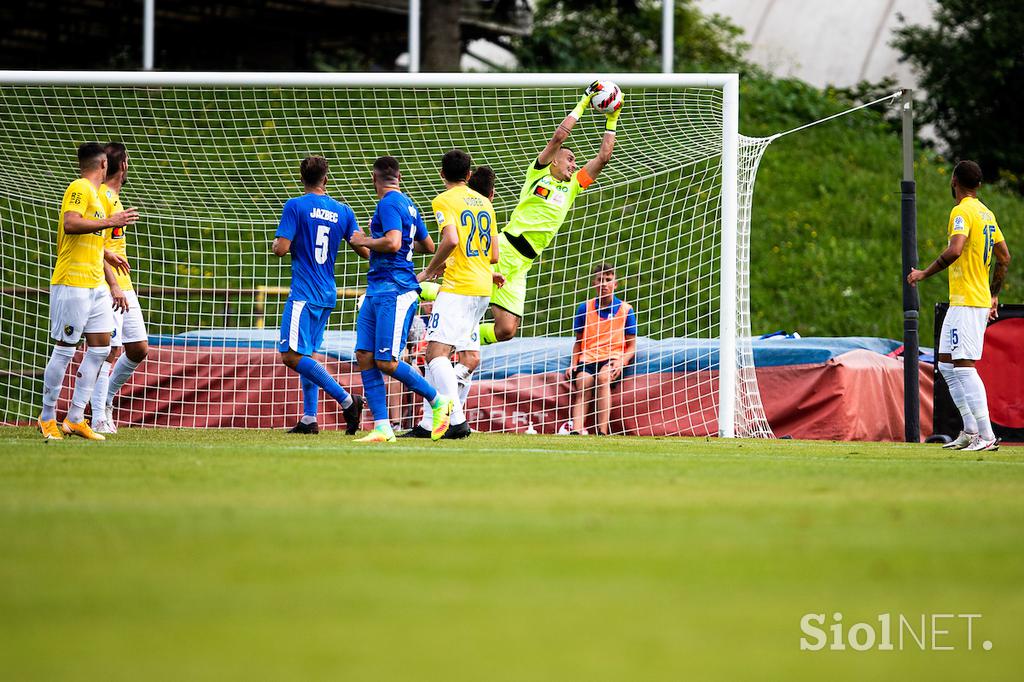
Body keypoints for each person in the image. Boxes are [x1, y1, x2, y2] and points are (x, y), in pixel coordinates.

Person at [478, 81, 621, 345]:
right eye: (569, 159)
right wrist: (584, 102)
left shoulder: (574, 185)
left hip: (522, 265)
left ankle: (467, 337)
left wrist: (612, 118)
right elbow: (559, 138)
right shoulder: (538, 173)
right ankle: (423, 291)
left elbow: (603, 157)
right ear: (554, 160)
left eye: (575, 162)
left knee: (507, 330)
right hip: (505, 248)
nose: (573, 164)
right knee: (461, 295)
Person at [38, 142, 139, 440]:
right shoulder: (79, 186)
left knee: (101, 348)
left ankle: (75, 417)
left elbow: (90, 233)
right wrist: (111, 221)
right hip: (73, 281)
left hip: (96, 283)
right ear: (103, 165)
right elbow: (70, 224)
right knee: (65, 348)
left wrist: (107, 255)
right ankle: (47, 417)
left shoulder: (96, 195)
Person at [908, 159, 1011, 452]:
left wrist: (923, 273)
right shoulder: (987, 213)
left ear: (954, 180)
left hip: (968, 302)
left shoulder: (961, 211)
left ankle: (987, 435)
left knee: (964, 368)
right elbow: (1004, 257)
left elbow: (955, 249)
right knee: (946, 366)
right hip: (964, 301)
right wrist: (993, 294)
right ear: (978, 185)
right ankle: (968, 430)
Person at [349, 155, 453, 443]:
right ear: (399, 177)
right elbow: (427, 245)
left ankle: (438, 401)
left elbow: (394, 242)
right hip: (377, 288)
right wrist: (402, 241)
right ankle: (383, 426)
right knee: (365, 355)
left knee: (386, 360)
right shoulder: (408, 204)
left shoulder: (389, 203)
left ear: (374, 179)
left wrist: (364, 240)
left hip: (395, 289)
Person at [402, 151, 503, 439]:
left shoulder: (443, 200)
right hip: (482, 289)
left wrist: (430, 269)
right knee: (453, 355)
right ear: (469, 175)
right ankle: (427, 423)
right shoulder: (485, 203)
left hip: (459, 287)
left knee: (435, 355)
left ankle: (455, 419)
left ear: (441, 173)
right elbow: (493, 254)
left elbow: (451, 240)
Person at [272, 155, 367, 435]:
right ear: (326, 179)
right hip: (327, 292)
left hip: (304, 293)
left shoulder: (296, 206)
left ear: (302, 179)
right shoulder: (343, 211)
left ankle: (347, 400)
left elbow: (281, 248)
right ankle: (310, 418)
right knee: (309, 355)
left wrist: (277, 241)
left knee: (290, 356)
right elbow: (363, 248)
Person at [89, 142, 149, 434]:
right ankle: (98, 415)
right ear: (123, 166)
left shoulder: (115, 198)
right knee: (109, 351)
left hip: (124, 284)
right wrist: (112, 284)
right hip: (107, 284)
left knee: (138, 348)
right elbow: (93, 246)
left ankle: (106, 399)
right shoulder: (100, 197)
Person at [564, 263, 637, 436]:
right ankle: (576, 431)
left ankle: (602, 431)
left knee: (604, 378)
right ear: (594, 284)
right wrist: (573, 363)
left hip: (612, 357)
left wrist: (622, 361)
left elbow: (632, 345)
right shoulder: (584, 308)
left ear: (615, 284)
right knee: (583, 382)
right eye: (600, 280)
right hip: (589, 358)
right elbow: (578, 342)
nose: (604, 284)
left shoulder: (626, 310)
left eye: (608, 280)